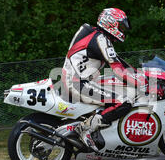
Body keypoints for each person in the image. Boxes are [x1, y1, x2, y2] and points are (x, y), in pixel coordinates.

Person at [61, 8, 151, 152]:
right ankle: (85, 129)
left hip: (79, 80)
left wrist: (140, 75)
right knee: (124, 102)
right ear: (110, 23)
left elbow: (120, 62)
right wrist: (142, 84)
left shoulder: (96, 35)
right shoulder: (100, 39)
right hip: (78, 84)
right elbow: (118, 70)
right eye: (121, 26)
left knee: (116, 88)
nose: (123, 30)